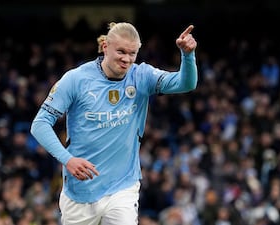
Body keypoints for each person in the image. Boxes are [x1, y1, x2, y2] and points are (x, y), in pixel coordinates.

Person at [30, 21, 198, 225]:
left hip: (123, 187)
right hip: (81, 191)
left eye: (132, 53)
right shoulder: (76, 79)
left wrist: (187, 56)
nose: (127, 59)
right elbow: (40, 124)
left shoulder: (141, 76)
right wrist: (68, 159)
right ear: (105, 47)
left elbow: (186, 84)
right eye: (121, 52)